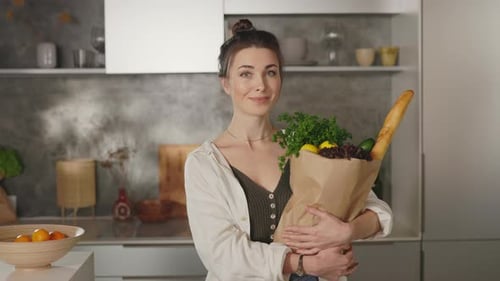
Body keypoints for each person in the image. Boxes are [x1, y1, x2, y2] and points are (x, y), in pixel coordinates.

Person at [184, 19, 393, 281]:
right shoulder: (205, 164)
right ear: (225, 83)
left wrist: (347, 232)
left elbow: (375, 209)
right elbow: (222, 255)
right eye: (246, 73)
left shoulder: (305, 145)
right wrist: (306, 264)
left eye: (270, 72)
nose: (260, 85)